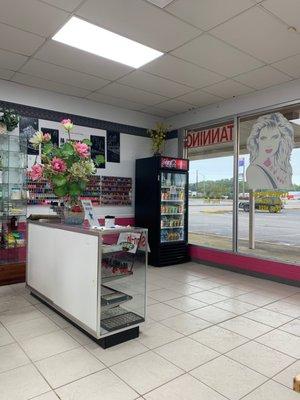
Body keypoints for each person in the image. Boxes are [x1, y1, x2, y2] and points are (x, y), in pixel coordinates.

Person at [246, 112, 294, 190]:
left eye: (274, 137)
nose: (269, 144)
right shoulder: (254, 170)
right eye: (263, 138)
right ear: (257, 140)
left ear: (281, 139)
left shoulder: (283, 166)